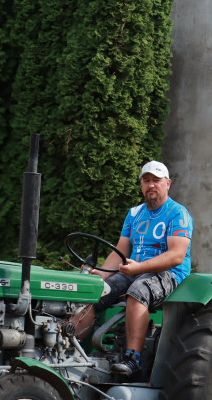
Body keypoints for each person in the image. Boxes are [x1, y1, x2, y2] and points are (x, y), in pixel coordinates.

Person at [73, 161, 192, 381]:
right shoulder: (135, 213)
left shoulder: (178, 213)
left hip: (167, 274)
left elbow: (176, 256)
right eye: (146, 181)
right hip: (133, 270)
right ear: (141, 185)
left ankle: (132, 359)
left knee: (138, 291)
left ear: (168, 183)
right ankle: (67, 348)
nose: (151, 185)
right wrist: (101, 274)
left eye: (156, 180)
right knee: (95, 292)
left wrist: (139, 267)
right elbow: (121, 250)